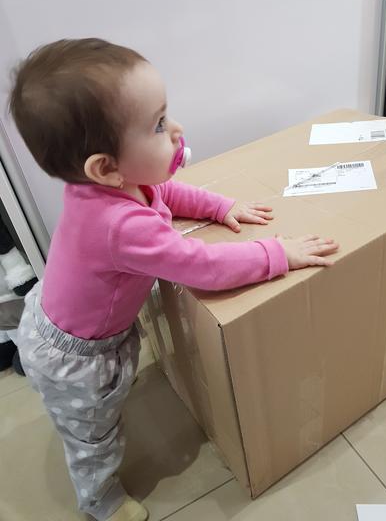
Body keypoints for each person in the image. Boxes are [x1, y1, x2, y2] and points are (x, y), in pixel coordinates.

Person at [8, 38, 338, 521]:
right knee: (93, 437)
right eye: (159, 124)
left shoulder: (113, 186)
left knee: (86, 419)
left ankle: (41, 378)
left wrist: (221, 206)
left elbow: (166, 191)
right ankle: (100, 501)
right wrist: (277, 253)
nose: (177, 129)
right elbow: (203, 267)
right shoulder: (120, 226)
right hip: (77, 359)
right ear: (105, 167)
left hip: (52, 316)